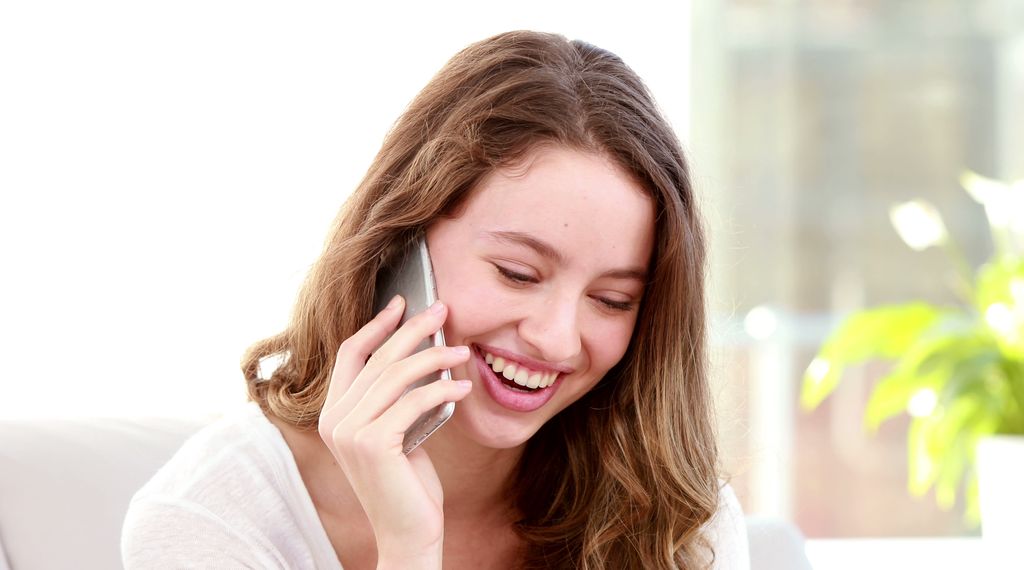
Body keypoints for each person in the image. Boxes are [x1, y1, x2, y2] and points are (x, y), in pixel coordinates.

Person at [122, 30, 749, 569]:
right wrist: (408, 547)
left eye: (612, 300)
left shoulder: (676, 517)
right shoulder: (212, 517)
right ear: (403, 249)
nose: (557, 339)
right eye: (517, 273)